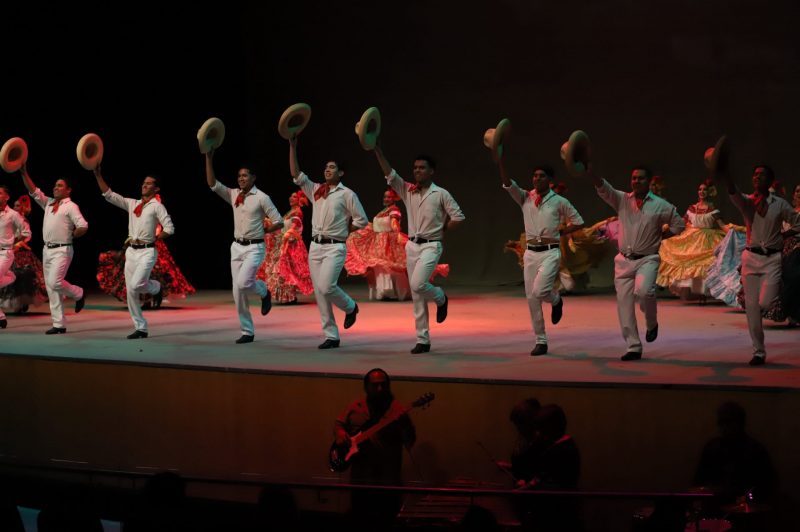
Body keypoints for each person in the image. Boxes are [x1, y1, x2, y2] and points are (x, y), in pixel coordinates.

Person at [586, 164, 685, 360]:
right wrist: (589, 169)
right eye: (633, 178)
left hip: (647, 259)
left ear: (649, 181)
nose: (636, 181)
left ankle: (651, 323)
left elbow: (679, 225)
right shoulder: (622, 199)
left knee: (644, 291)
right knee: (624, 305)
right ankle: (633, 346)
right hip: (623, 260)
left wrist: (662, 235)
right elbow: (603, 187)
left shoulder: (661, 205)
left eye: (640, 178)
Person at [372, 144, 465, 354]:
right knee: (416, 294)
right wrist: (378, 150)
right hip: (412, 245)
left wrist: (444, 228)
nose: (417, 171)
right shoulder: (408, 191)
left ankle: (440, 297)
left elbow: (458, 216)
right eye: (415, 168)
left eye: (422, 168)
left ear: (431, 171)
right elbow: (389, 173)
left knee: (418, 283)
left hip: (431, 245)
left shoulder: (441, 194)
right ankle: (423, 339)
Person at [495, 156, 584, 356]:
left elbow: (579, 221)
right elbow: (507, 183)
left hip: (550, 252)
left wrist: (562, 232)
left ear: (550, 180)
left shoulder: (560, 201)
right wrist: (501, 160)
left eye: (541, 176)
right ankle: (541, 340)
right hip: (531, 253)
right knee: (531, 297)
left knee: (540, 290)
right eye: (534, 175)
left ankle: (555, 299)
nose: (536, 179)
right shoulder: (525, 197)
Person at [716, 164, 800, 365]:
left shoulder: (780, 204)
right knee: (752, 308)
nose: (756, 177)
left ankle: (759, 334)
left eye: (761, 175)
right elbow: (733, 191)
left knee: (766, 302)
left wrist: (784, 235)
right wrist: (725, 171)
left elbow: (797, 222)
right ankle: (759, 351)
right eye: (754, 174)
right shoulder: (747, 202)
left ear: (770, 180)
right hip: (751, 258)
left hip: (772, 259)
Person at [289, 135, 367, 349]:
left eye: (332, 167)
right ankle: (331, 335)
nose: (327, 170)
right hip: (315, 246)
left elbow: (361, 219)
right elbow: (296, 174)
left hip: (335, 246)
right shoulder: (316, 190)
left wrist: (346, 230)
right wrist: (293, 146)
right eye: (326, 167)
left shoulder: (347, 194)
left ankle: (350, 307)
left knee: (327, 286)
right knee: (320, 292)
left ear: (340, 173)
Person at [206, 150, 283, 344]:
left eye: (245, 175)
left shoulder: (262, 197)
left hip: (254, 247)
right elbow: (213, 184)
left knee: (243, 283)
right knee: (237, 291)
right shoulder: (234, 194)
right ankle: (247, 331)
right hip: (236, 247)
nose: (241, 178)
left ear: (253, 178)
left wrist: (266, 230)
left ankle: (263, 291)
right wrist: (209, 158)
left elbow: (279, 221)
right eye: (239, 176)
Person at [92, 166, 174, 339]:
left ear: (156, 189)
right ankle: (141, 328)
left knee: (137, 284)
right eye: (144, 183)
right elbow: (109, 195)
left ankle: (156, 287)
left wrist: (155, 238)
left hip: (147, 251)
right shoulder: (133, 204)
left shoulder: (157, 207)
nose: (144, 185)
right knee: (131, 291)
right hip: (131, 252)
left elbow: (169, 228)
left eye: (149, 183)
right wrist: (98, 175)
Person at [334, 368, 416, 531]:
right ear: (366, 387)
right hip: (360, 480)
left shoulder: (397, 410)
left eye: (383, 385)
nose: (380, 389)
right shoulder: (356, 407)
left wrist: (405, 424)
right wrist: (340, 434)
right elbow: (339, 424)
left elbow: (410, 440)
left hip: (387, 482)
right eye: (375, 385)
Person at [346, 188, 451, 301]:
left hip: (389, 242)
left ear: (394, 199)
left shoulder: (394, 210)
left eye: (389, 197)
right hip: (378, 242)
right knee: (379, 266)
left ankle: (397, 292)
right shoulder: (383, 211)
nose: (386, 199)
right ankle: (384, 291)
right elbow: (378, 226)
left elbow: (394, 223)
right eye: (385, 197)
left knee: (392, 266)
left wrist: (396, 232)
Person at [19, 164, 88, 333]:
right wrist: (24, 173)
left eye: (60, 185)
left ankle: (78, 293)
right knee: (51, 288)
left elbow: (83, 225)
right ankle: (59, 324)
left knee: (54, 282)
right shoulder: (49, 203)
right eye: (55, 185)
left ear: (68, 190)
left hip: (62, 250)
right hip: (47, 250)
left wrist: (75, 233)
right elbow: (33, 191)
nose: (55, 188)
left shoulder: (71, 206)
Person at [96, 195, 195, 307]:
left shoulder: (157, 209)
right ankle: (144, 299)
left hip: (153, 245)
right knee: (135, 273)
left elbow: (162, 229)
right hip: (139, 246)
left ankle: (153, 295)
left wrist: (153, 236)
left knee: (154, 273)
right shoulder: (140, 209)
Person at [694, 402, 777, 514]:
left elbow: (767, 486)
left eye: (728, 422)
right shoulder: (712, 448)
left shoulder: (755, 450)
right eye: (721, 423)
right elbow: (698, 483)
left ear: (740, 423)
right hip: (715, 509)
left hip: (743, 513)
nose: (724, 427)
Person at [657, 179, 728, 299]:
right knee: (688, 260)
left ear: (709, 192)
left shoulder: (712, 210)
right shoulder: (691, 208)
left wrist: (732, 232)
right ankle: (695, 292)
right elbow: (682, 222)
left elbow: (722, 225)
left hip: (707, 239)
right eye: (700, 189)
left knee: (705, 263)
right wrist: (669, 225)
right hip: (692, 237)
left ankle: (703, 292)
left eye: (704, 189)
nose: (701, 191)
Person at [256, 190, 313, 304]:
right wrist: (267, 221)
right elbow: (282, 226)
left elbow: (296, 227)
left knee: (287, 270)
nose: (291, 198)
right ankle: (287, 296)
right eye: (290, 197)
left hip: (291, 245)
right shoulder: (291, 211)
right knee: (283, 270)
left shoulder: (297, 212)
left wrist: (288, 235)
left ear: (299, 200)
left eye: (294, 197)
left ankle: (290, 296)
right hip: (284, 242)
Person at [0, 196, 47, 314]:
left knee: (22, 279)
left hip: (19, 252)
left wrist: (17, 244)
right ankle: (17, 304)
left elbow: (27, 235)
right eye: (14, 205)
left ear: (24, 208)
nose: (15, 207)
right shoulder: (9, 217)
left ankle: (22, 303)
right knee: (13, 278)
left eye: (18, 205)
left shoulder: (22, 219)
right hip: (11, 250)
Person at [0, 184, 32, 330]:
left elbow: (26, 232)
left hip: (5, 253)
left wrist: (15, 243)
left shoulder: (13, 214)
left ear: (7, 197)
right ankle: (1, 317)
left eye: (0, 193)